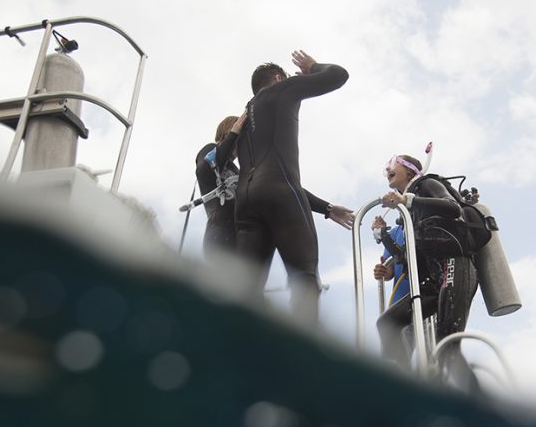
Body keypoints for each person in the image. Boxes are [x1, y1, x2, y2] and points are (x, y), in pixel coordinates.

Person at [233, 50, 354, 322]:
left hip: (246, 204)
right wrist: (312, 67)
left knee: (247, 293)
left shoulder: (242, 123)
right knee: (304, 280)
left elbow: (266, 181)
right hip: (281, 194)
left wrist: (326, 208)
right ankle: (305, 360)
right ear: (278, 78)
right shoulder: (282, 90)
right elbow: (338, 75)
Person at [375, 154, 480, 391]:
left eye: (394, 164)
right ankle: (409, 386)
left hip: (457, 265)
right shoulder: (409, 212)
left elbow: (453, 208)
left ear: (411, 171)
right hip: (434, 280)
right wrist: (383, 236)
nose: (387, 168)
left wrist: (409, 200)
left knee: (446, 347)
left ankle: (481, 403)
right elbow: (404, 257)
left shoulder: (428, 184)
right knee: (387, 323)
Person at [194, 112, 246, 259]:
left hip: (238, 239)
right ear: (227, 133)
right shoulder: (210, 149)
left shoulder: (239, 172)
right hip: (219, 235)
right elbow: (204, 170)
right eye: (241, 136)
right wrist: (235, 133)